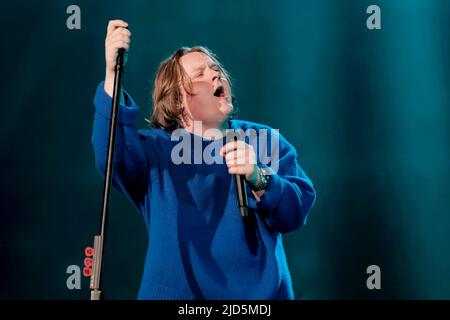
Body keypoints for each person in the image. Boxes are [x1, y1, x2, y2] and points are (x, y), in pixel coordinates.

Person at [91, 19, 316, 300]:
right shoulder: (158, 150)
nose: (215, 76)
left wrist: (260, 177)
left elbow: (296, 210)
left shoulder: (262, 139)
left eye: (217, 70)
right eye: (200, 73)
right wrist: (113, 74)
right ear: (176, 101)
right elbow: (111, 154)